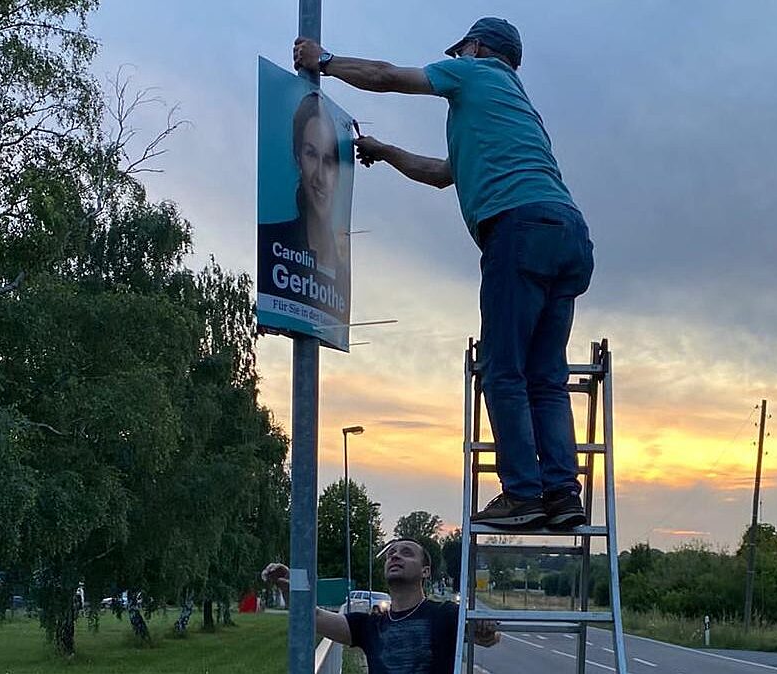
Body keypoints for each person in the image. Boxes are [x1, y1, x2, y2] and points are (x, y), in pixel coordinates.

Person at [293, 18, 593, 529]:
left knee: (504, 370)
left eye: (460, 52)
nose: (455, 59)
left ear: (475, 49)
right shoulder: (513, 113)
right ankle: (562, 495)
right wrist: (386, 153)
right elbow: (441, 174)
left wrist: (323, 62)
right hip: (567, 235)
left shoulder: (474, 75)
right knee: (546, 377)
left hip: (517, 231)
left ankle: (522, 494)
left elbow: (387, 75)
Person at [262, 538, 499, 673]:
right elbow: (310, 615)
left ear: (425, 571)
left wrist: (487, 630)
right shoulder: (369, 626)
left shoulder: (444, 614)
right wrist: (291, 585)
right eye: (390, 554)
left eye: (406, 553)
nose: (395, 556)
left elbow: (489, 636)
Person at [259, 91, 348, 278]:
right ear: (298, 158)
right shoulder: (269, 243)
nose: (320, 176)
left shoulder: (342, 275)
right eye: (311, 154)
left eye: (329, 160)